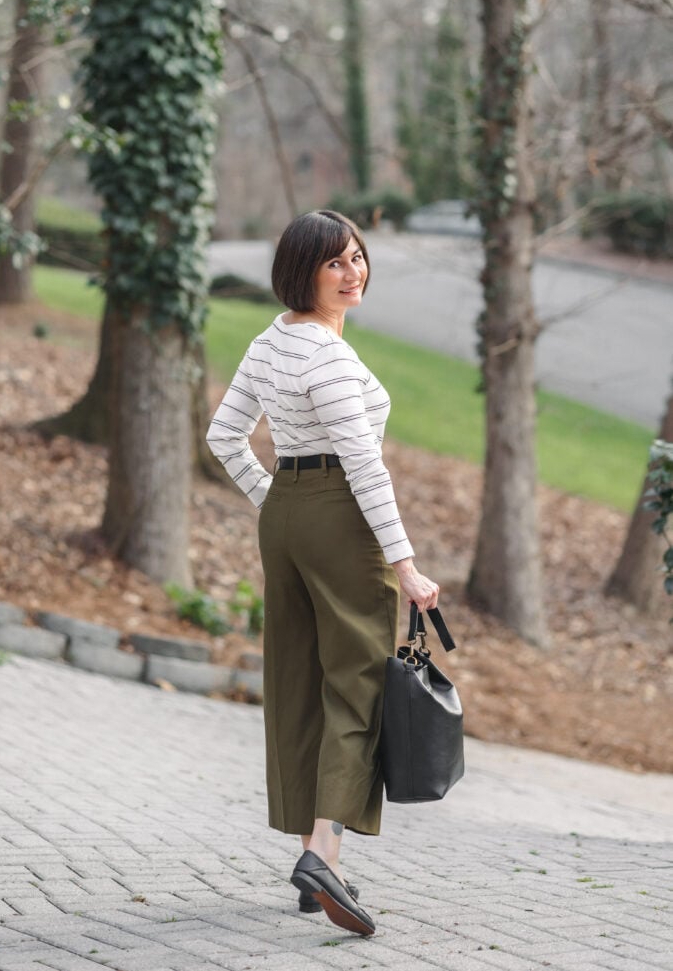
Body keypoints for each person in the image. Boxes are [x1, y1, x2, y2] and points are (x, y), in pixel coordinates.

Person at [206, 209, 439, 937]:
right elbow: (363, 465)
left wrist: (275, 500)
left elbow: (224, 436)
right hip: (339, 517)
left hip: (286, 515)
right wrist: (405, 564)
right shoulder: (328, 357)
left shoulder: (271, 339)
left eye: (357, 256)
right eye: (334, 262)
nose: (352, 272)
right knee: (358, 684)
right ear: (300, 271)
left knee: (302, 680)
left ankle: (317, 860)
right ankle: (320, 855)